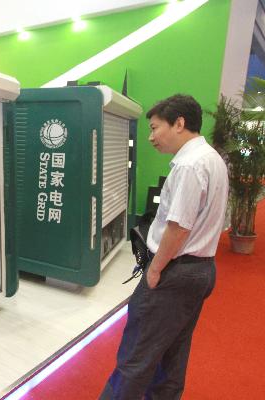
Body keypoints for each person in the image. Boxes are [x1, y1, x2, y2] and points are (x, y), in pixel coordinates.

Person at [100, 94, 229, 399]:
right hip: (200, 270)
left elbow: (178, 226)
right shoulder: (212, 159)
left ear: (179, 124)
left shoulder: (188, 165)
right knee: (173, 354)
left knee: (137, 355)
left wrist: (156, 269)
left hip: (174, 271)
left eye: (155, 128)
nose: (151, 137)